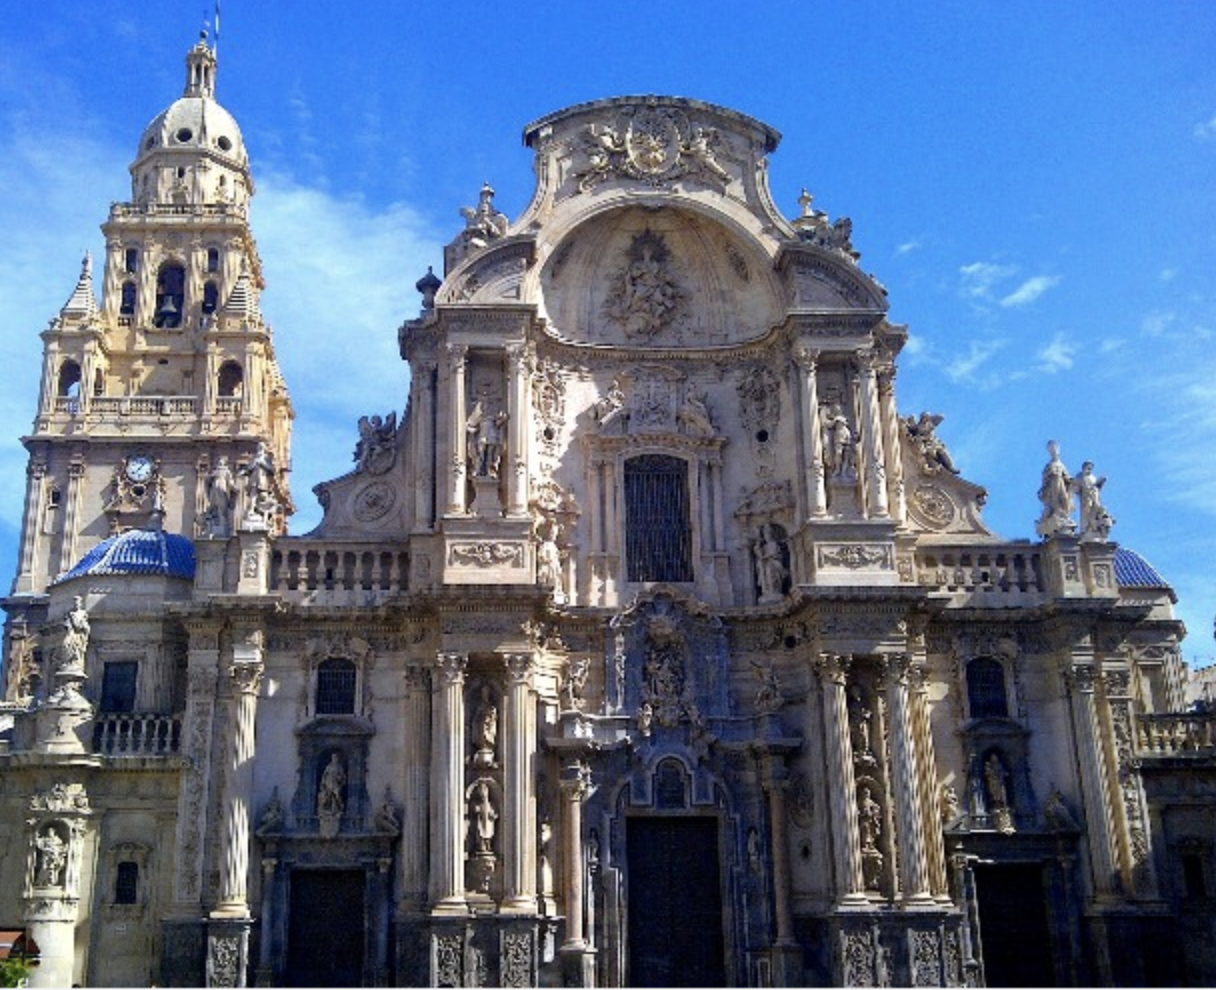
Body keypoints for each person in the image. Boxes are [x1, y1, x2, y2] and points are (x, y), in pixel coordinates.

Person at [1035, 440, 1075, 537]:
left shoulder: (1061, 465)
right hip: (1052, 488)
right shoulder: (1048, 466)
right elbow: (1044, 480)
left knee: (1064, 501)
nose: (1053, 450)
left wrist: (1071, 481)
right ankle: (1055, 517)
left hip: (1060, 485)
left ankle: (1062, 516)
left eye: (1055, 447)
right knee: (1054, 503)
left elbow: (1067, 477)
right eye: (1051, 448)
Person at [205, 456, 236, 536]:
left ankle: (222, 521)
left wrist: (234, 489)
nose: (220, 462)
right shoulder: (215, 471)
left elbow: (230, 482)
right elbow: (207, 481)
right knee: (214, 505)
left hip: (222, 488)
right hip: (214, 489)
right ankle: (213, 520)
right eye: (219, 461)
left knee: (222, 505)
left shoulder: (227, 471)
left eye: (222, 461)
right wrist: (210, 477)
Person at [60, 595, 90, 671]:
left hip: (79, 634)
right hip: (71, 632)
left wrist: (84, 627)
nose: (76, 604)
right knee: (65, 644)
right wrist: (67, 626)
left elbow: (85, 625)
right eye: (74, 603)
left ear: (80, 604)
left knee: (77, 647)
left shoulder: (83, 613)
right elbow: (67, 623)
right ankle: (68, 661)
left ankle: (75, 661)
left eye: (77, 602)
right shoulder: (70, 613)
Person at [317, 753, 346, 818]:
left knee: (337, 795)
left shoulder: (339, 767)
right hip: (328, 783)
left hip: (335, 784)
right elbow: (324, 775)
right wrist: (323, 782)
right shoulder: (329, 766)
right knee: (328, 796)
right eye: (333, 757)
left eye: (336, 757)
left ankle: (340, 807)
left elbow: (343, 776)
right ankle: (326, 809)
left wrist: (339, 778)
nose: (334, 759)